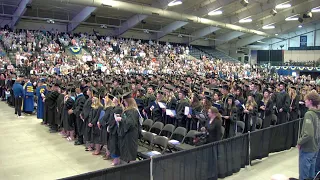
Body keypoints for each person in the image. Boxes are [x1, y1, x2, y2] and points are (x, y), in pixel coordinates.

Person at [297, 90, 320, 180]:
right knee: (311, 176)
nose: (305, 101)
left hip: (307, 148)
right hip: (315, 148)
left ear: (310, 101)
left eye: (306, 100)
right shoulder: (318, 114)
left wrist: (299, 142)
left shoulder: (309, 114)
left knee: (303, 175)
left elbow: (308, 134)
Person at [116, 92, 141, 164]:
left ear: (128, 101)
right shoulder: (129, 110)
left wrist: (121, 119)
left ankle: (132, 168)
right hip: (127, 134)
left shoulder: (133, 110)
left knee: (130, 151)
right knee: (127, 151)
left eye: (124, 101)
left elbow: (131, 123)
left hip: (131, 134)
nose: (123, 103)